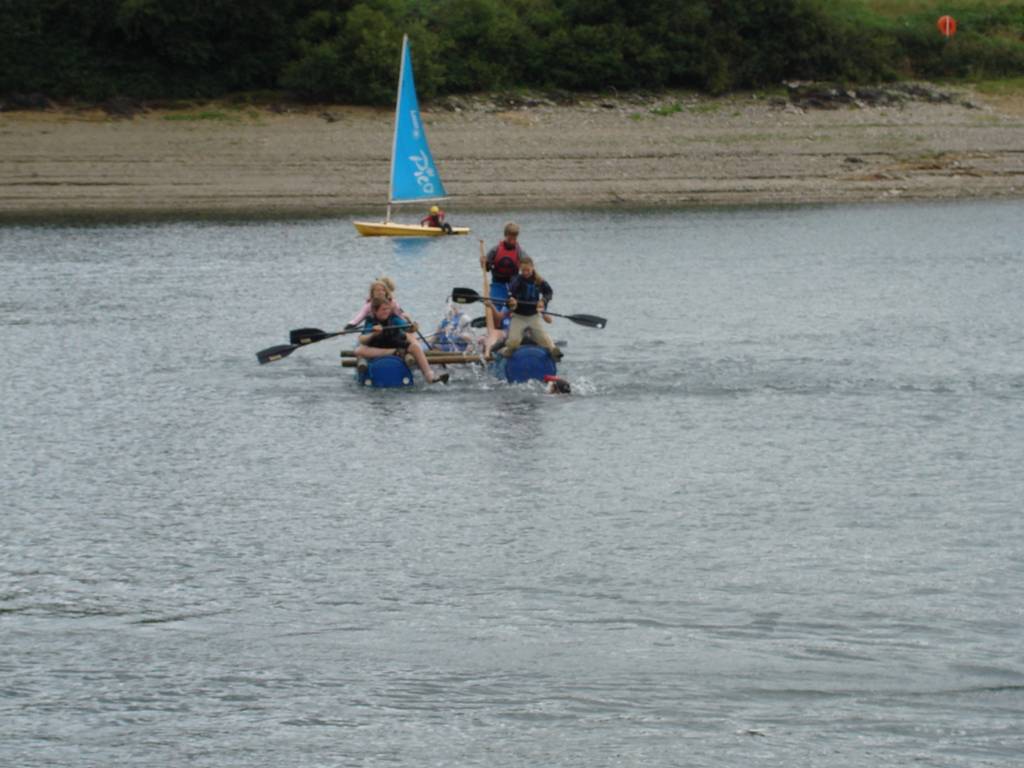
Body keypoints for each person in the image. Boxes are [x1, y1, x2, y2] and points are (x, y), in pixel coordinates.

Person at [355, 297, 448, 384]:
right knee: (359, 350)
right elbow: (363, 339)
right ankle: (393, 352)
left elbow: (407, 328)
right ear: (375, 311)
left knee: (415, 347)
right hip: (380, 347)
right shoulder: (370, 321)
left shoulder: (393, 318)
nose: (386, 312)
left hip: (396, 343)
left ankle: (429, 376)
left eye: (388, 309)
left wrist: (413, 327)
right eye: (383, 309)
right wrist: (373, 333)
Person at [503, 256, 561, 360]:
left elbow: (549, 292)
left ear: (532, 268)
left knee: (544, 339)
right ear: (520, 269)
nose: (525, 272)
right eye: (523, 270)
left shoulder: (539, 281)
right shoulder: (517, 280)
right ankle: (508, 349)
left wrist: (543, 301)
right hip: (519, 316)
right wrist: (512, 302)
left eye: (528, 270)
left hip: (534, 316)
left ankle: (554, 351)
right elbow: (509, 297)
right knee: (514, 341)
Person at [480, 221, 525, 329]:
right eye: (510, 237)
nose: (512, 240)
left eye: (515, 237)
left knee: (513, 309)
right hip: (497, 283)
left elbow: (528, 268)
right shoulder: (495, 250)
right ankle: (495, 330)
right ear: (505, 235)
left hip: (513, 284)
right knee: (495, 308)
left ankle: (514, 328)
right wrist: (484, 263)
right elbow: (486, 268)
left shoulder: (520, 252)